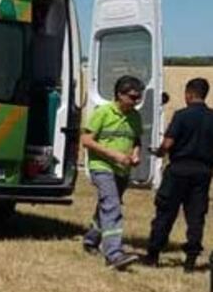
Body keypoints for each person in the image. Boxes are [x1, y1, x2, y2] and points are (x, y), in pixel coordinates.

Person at [142, 77, 213, 271]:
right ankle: (191, 259)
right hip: (203, 172)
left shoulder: (181, 115)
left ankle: (154, 254)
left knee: (165, 212)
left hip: (179, 170)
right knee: (196, 216)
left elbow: (168, 143)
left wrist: (157, 153)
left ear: (189, 94)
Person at [81, 75, 145, 270]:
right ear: (119, 95)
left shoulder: (135, 116)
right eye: (133, 97)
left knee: (106, 206)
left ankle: (91, 239)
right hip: (101, 166)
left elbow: (136, 141)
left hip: (122, 169)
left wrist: (135, 155)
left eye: (139, 97)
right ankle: (114, 254)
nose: (136, 101)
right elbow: (86, 140)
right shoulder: (103, 113)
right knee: (112, 206)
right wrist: (114, 155)